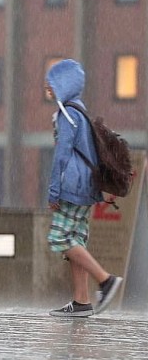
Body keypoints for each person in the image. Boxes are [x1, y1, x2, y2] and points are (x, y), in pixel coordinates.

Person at [44, 59, 122, 317]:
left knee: (60, 238)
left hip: (72, 186)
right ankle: (81, 301)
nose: (48, 87)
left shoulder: (68, 114)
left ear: (63, 85)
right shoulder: (79, 109)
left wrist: (54, 191)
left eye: (52, 83)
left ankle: (105, 280)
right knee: (75, 241)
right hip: (87, 185)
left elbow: (62, 155)